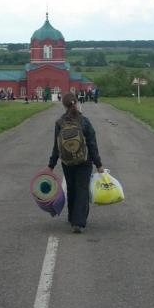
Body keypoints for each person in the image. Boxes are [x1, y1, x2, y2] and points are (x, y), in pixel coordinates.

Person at [48, 92, 104, 233]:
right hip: (84, 161)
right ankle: (78, 223)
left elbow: (57, 146)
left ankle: (72, 217)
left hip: (67, 162)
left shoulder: (59, 123)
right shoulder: (84, 121)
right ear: (77, 103)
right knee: (82, 189)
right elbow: (92, 144)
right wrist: (98, 164)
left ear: (64, 105)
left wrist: (51, 165)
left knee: (71, 188)